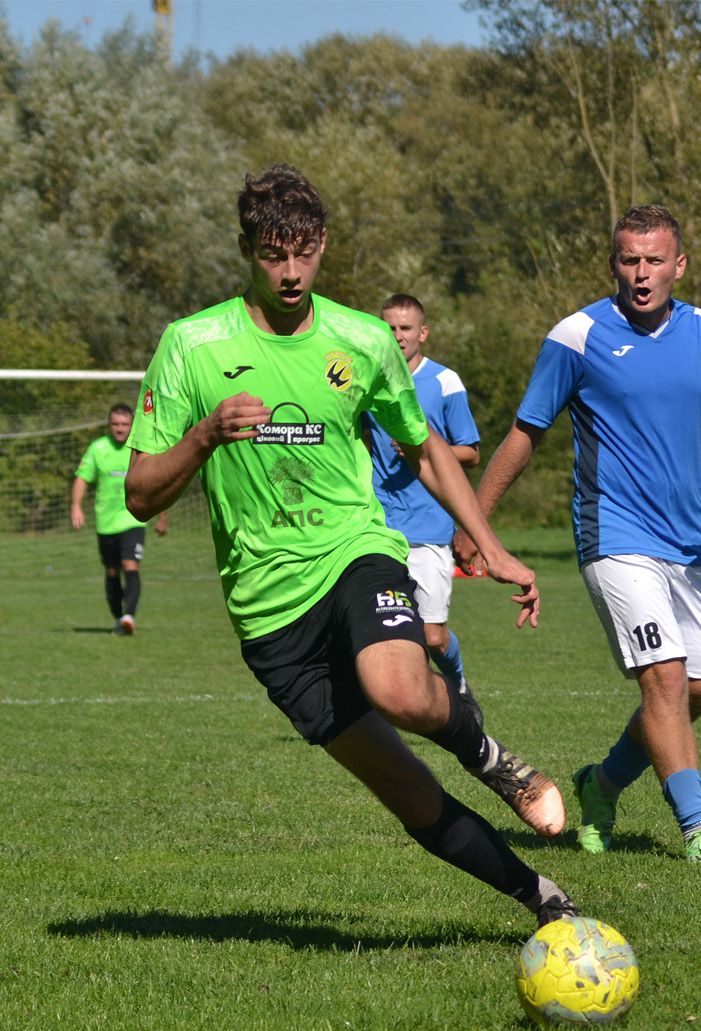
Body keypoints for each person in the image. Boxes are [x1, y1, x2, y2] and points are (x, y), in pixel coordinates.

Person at [124, 164, 577, 929]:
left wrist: (488, 544)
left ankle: (491, 758)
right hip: (268, 611)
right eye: (274, 254)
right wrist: (203, 437)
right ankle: (545, 899)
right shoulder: (191, 345)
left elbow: (424, 447)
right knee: (407, 791)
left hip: (354, 551)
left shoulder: (363, 340)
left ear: (324, 245)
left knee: (400, 688)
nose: (291, 272)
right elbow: (140, 492)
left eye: (304, 253)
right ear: (246, 249)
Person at [458, 204, 701, 863]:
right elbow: (525, 434)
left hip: (690, 540)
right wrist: (475, 522)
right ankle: (699, 831)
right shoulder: (577, 336)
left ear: (679, 265)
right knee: (665, 679)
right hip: (614, 534)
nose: (642, 272)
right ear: (613, 265)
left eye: (655, 260)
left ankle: (601, 784)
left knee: (699, 690)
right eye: (630, 260)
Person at [364, 293, 480, 690]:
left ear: (423, 333)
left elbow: (471, 453)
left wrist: (426, 447)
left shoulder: (444, 382)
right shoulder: (367, 382)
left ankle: (458, 686)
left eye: (406, 328)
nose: (397, 336)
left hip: (429, 527)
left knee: (432, 637)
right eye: (389, 328)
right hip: (377, 527)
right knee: (383, 632)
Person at [71, 403, 167, 634]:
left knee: (130, 564)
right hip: (106, 523)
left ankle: (128, 617)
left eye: (124, 424)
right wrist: (76, 506)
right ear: (109, 425)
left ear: (132, 425)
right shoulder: (98, 448)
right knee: (112, 571)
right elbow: (82, 478)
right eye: (115, 424)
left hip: (134, 518)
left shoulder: (141, 448)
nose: (119, 428)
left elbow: (158, 483)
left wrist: (162, 516)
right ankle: (118, 618)